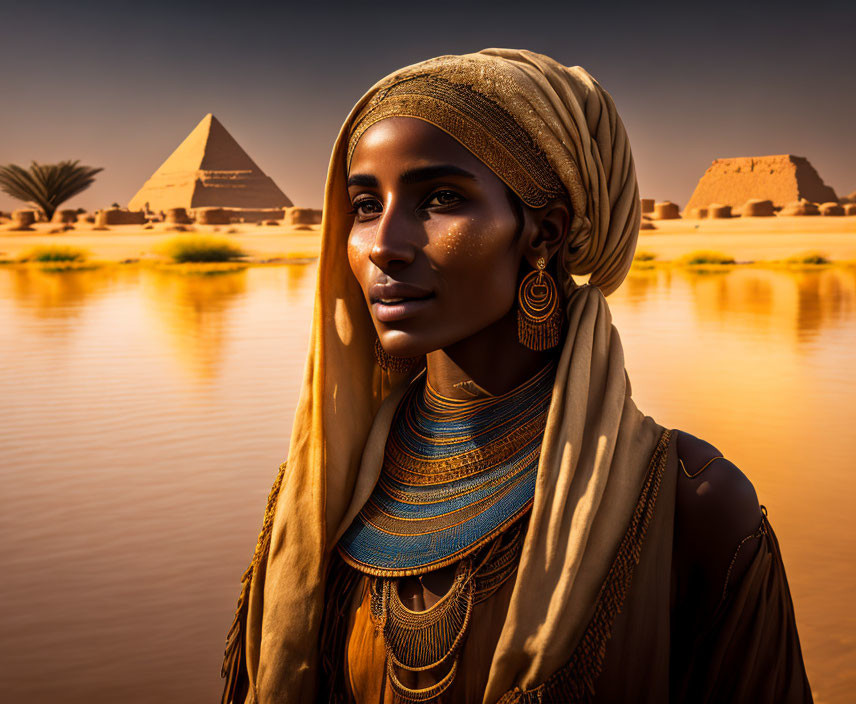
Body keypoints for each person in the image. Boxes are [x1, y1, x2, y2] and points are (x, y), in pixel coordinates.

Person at [221, 49, 812, 703]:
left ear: (545, 234)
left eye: (440, 198)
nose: (383, 243)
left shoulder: (690, 505)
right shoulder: (318, 494)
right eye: (364, 205)